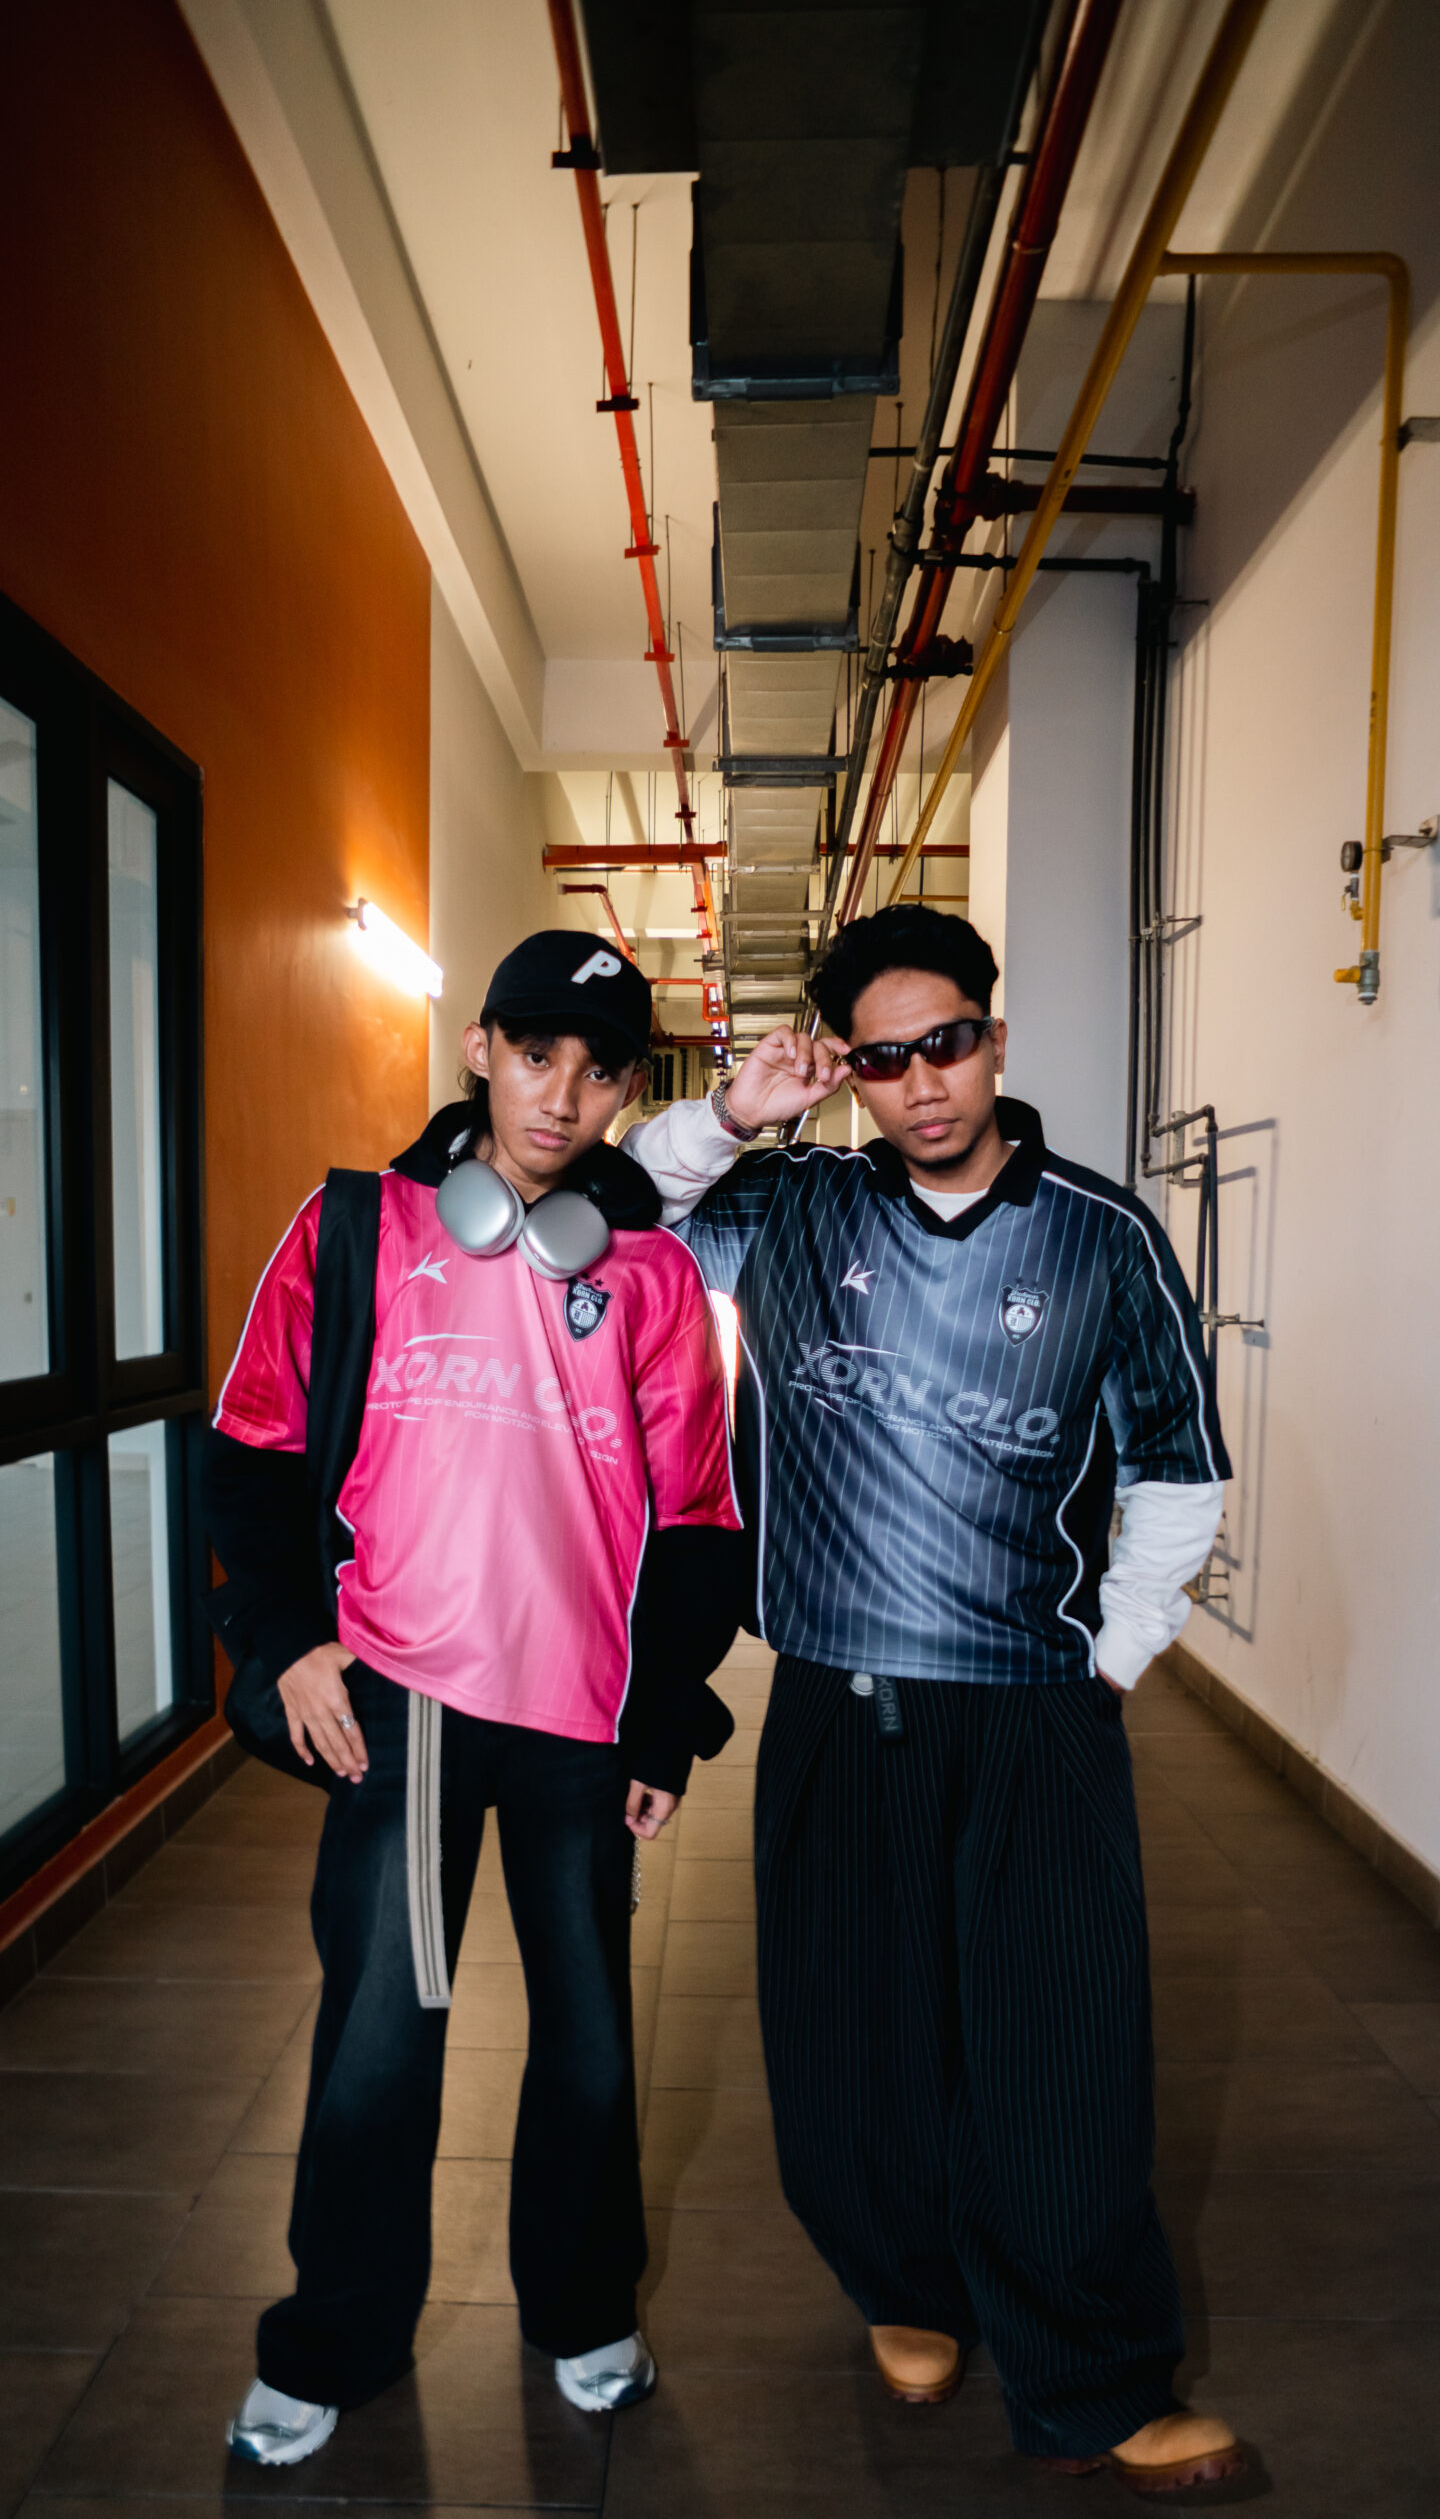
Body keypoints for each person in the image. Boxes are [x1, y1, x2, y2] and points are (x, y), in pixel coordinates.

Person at [624, 904, 1247, 2496]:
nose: (922, 1084)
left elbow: (1178, 1468)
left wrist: (1114, 1655)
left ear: (994, 1037)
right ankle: (907, 2286)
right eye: (883, 1059)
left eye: (946, 1043)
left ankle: (1094, 2379)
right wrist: (736, 1111)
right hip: (836, 1698)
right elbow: (625, 1214)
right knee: (851, 2037)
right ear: (851, 1071)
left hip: (1033, 1709)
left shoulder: (1101, 1235)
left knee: (1059, 2050)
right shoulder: (796, 1206)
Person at [204, 931, 744, 2464]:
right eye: (534, 1054)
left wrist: (665, 1716)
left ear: (629, 1090)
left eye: (599, 1071)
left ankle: (584, 2312)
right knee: (382, 2035)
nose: (560, 1096)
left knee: (587, 2044)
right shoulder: (356, 1229)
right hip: (404, 1701)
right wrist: (287, 1637)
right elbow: (252, 1448)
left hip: (580, 1719)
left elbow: (699, 1517)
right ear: (480, 1051)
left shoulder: (651, 1273)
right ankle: (333, 2340)